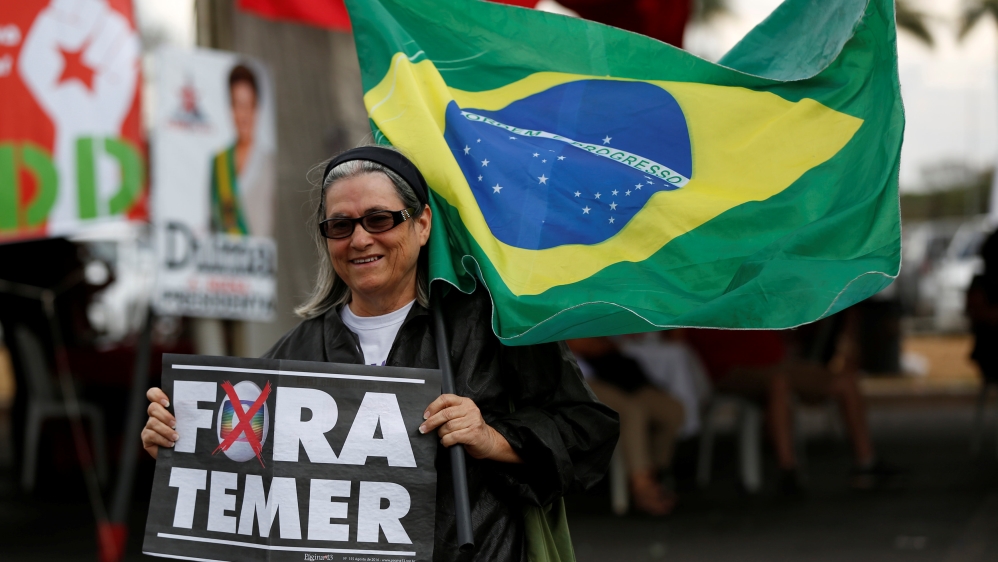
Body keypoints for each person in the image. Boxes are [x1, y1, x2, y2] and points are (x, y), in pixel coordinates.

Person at [142, 145, 619, 560]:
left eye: (379, 219)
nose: (360, 239)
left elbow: (588, 430)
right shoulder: (295, 351)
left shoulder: (494, 327)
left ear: (422, 223)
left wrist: (493, 438)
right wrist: (180, 441)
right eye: (340, 225)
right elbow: (243, 471)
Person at [684, 328, 900, 492]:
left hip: (777, 363)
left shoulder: (752, 281)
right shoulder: (693, 292)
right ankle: (788, 470)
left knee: (846, 381)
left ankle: (866, 462)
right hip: (732, 370)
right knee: (779, 384)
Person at [567, 337, 684, 515]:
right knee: (633, 412)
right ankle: (642, 487)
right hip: (575, 378)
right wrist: (599, 343)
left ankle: (655, 472)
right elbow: (577, 343)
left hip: (614, 373)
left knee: (672, 409)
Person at [209, 63, 274, 236]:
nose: (243, 114)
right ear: (230, 108)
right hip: (227, 258)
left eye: (249, 105)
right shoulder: (219, 162)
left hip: (263, 258)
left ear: (257, 107)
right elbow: (212, 221)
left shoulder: (268, 161)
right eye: (238, 105)